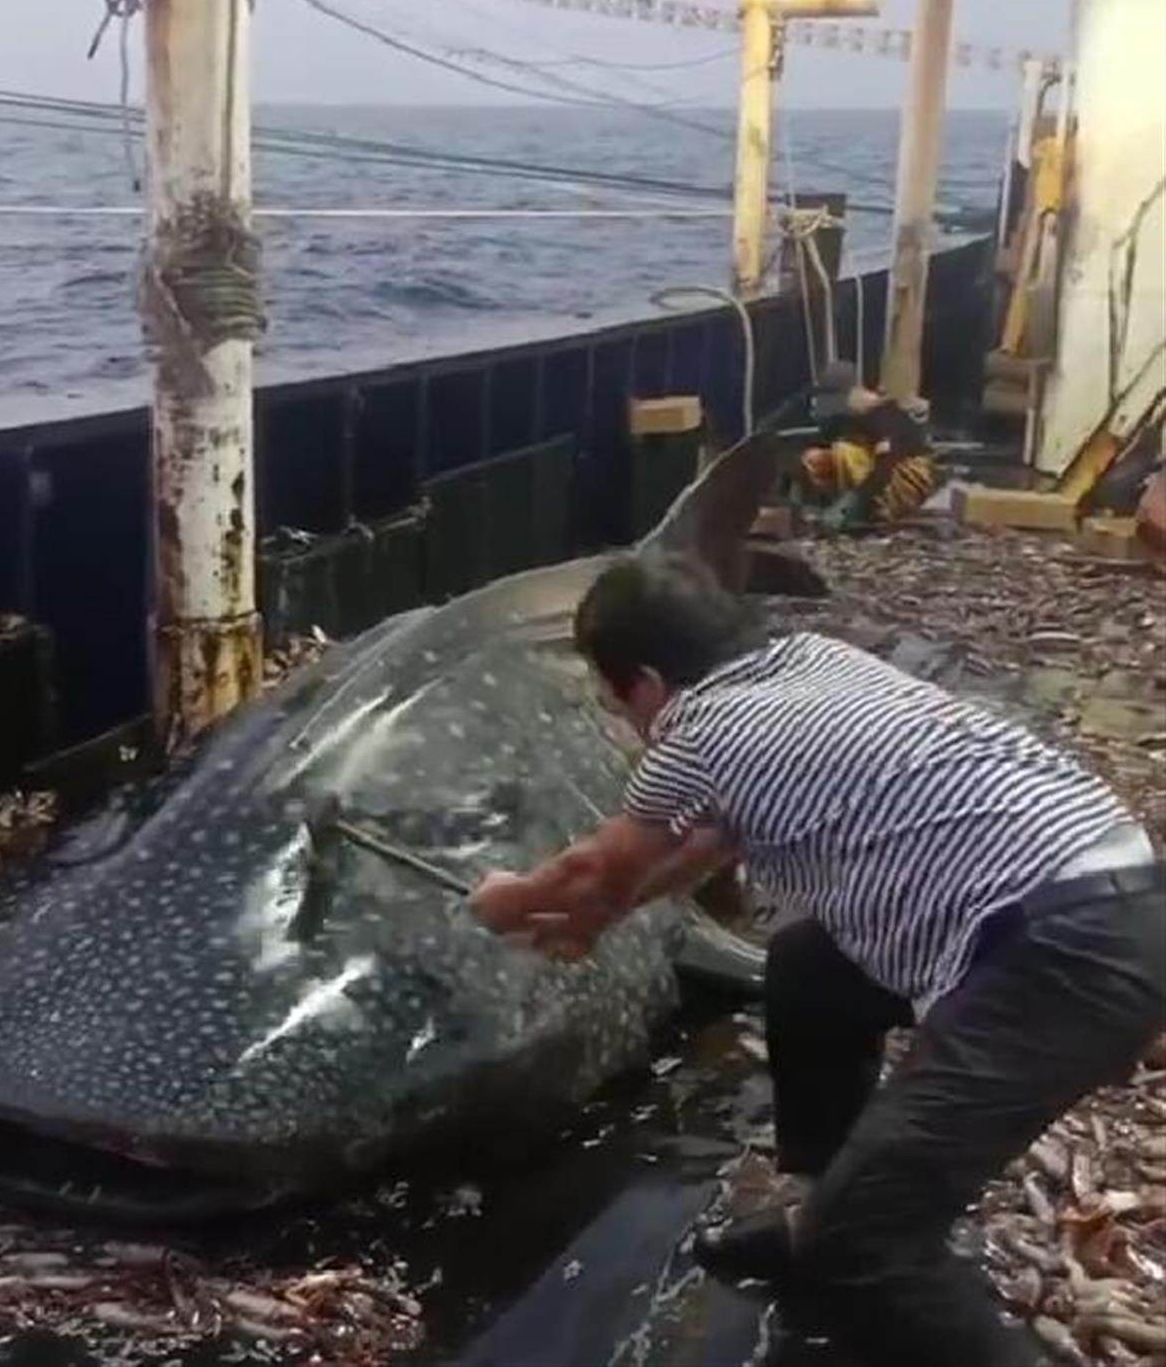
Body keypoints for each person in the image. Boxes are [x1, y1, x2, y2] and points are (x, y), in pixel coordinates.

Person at [469, 553, 1165, 1367]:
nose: (622, 717)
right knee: (809, 963)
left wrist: (505, 899)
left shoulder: (697, 729)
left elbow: (597, 866)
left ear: (648, 682)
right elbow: (703, 840)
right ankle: (819, 1204)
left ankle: (845, 1231)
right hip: (1112, 892)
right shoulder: (818, 659)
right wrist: (599, 917)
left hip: (1062, 956)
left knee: (869, 1244)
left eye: (614, 697)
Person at [798, 360, 938, 529]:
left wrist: (856, 499)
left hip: (900, 477)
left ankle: (875, 511)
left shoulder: (883, 413)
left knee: (843, 454)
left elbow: (887, 459)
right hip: (874, 471)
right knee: (816, 459)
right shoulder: (848, 413)